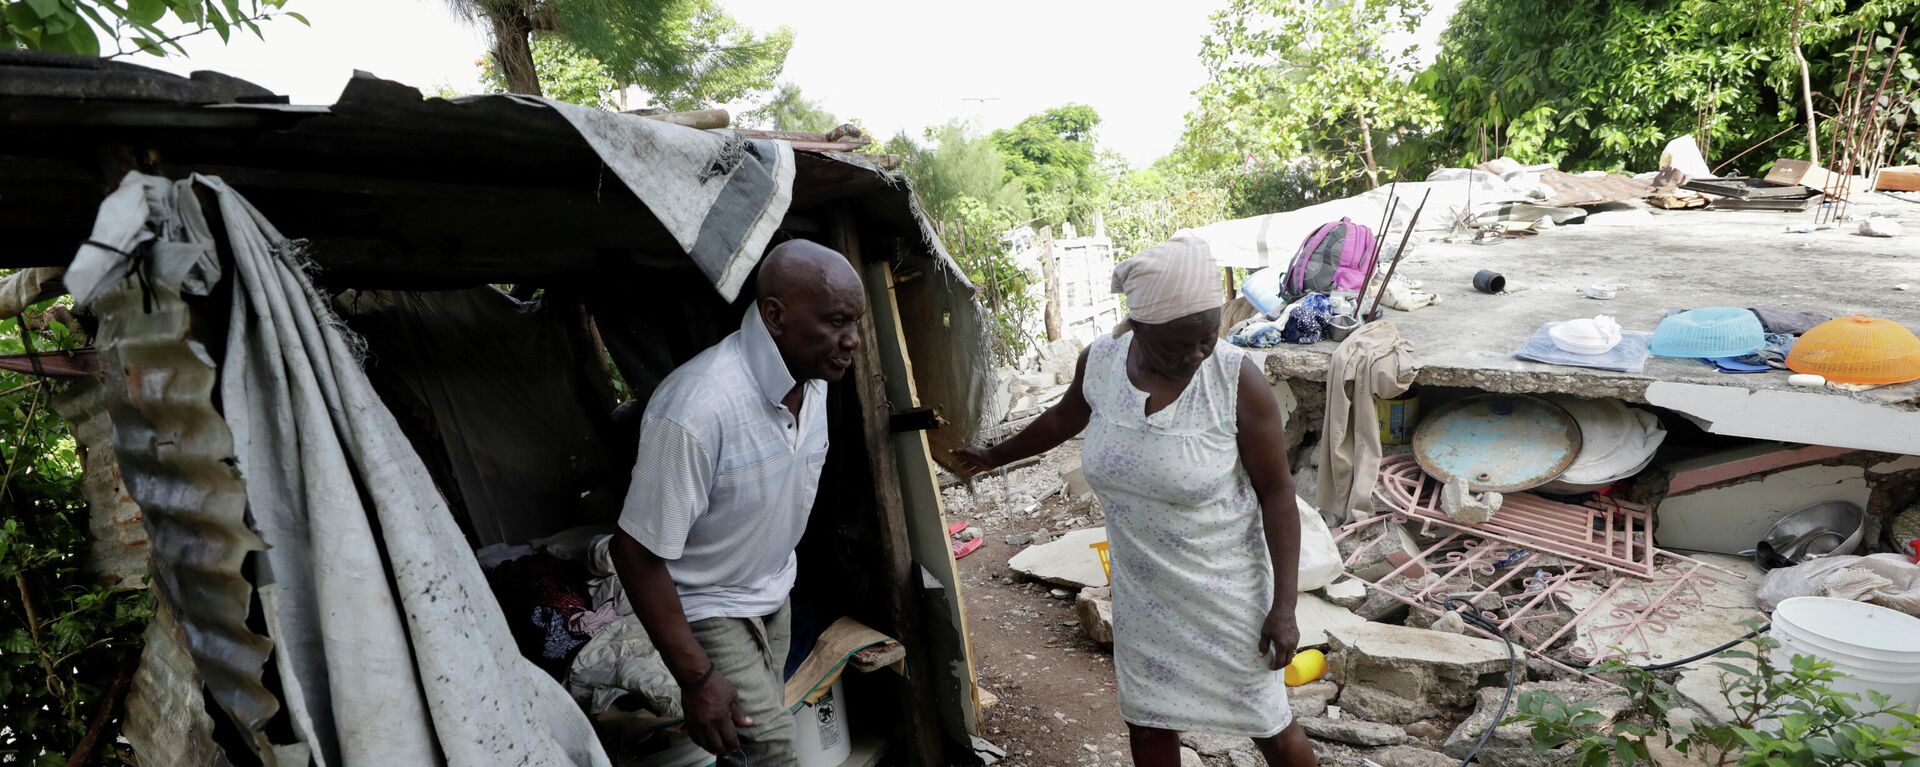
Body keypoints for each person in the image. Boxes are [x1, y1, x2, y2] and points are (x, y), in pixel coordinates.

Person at [955, 234, 1316, 767]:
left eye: (1206, 338)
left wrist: (1283, 607)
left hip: (1228, 594)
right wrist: (994, 455)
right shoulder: (1101, 363)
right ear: (1140, 327)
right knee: (1148, 725)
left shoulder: (1235, 380)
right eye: (1181, 343)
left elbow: (1279, 493)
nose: (1197, 354)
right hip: (1143, 593)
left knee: (1268, 725)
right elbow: (1062, 419)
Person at [610, 238, 865, 765]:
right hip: (707, 601)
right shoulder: (698, 407)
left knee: (743, 748)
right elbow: (634, 553)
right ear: (775, 316)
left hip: (773, 591)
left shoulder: (813, 381)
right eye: (838, 322)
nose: (853, 340)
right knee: (772, 748)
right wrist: (697, 676)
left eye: (855, 323)